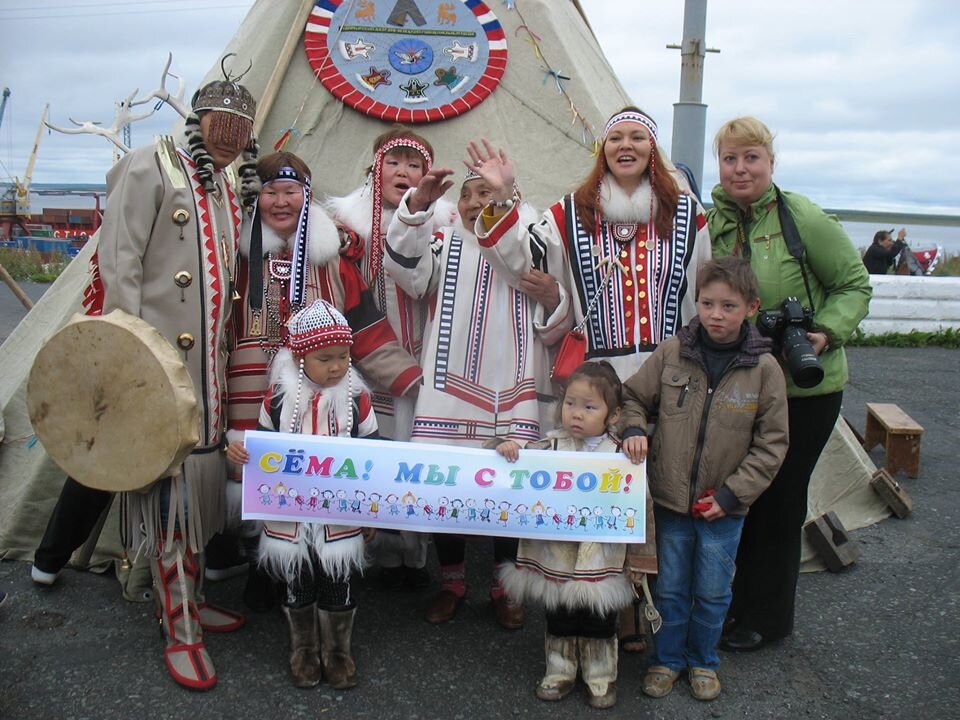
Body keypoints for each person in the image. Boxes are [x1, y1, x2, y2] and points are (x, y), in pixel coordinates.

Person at [35, 71, 262, 691]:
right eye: (221, 125)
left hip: (205, 374)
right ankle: (180, 625)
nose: (231, 137)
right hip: (157, 368)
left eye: (241, 129)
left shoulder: (224, 185)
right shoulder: (151, 166)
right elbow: (121, 263)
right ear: (199, 120)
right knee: (169, 499)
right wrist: (128, 362)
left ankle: (188, 599)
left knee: (195, 497)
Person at [472, 107, 711, 650]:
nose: (625, 146)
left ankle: (639, 605)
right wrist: (506, 195)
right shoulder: (568, 214)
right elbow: (519, 259)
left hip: (665, 373)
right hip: (597, 378)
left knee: (651, 491)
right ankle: (594, 604)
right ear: (601, 150)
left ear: (653, 151)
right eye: (615, 138)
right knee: (600, 493)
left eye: (638, 138)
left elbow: (697, 298)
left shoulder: (688, 214)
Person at [225, 152, 422, 608]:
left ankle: (318, 572)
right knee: (254, 475)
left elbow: (365, 325)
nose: (280, 201)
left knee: (315, 480)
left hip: (322, 391)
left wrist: (411, 380)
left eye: (290, 192)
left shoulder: (332, 258)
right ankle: (264, 565)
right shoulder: (235, 254)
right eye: (271, 192)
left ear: (306, 196)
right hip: (251, 386)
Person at [708, 116, 871, 651]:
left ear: (771, 163)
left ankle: (767, 617)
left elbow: (853, 285)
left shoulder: (803, 219)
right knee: (738, 493)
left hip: (806, 389)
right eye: (730, 158)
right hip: (740, 384)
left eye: (752, 157)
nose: (740, 168)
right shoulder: (711, 222)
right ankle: (728, 604)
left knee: (779, 498)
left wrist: (824, 333)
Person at [383, 150, 563, 626]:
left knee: (509, 488)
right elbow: (407, 271)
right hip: (449, 382)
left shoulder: (534, 234)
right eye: (466, 195)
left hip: (514, 382)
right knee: (447, 485)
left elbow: (524, 267)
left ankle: (504, 588)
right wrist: (418, 207)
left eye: (484, 192)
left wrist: (500, 201)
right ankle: (454, 581)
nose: (471, 203)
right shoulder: (442, 241)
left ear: (510, 196)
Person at [620, 256, 788, 701]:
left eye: (729, 306)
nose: (716, 314)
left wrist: (733, 495)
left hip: (724, 509)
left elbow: (772, 444)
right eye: (708, 303)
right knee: (671, 588)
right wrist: (634, 429)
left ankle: (703, 661)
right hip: (671, 504)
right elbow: (633, 396)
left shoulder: (765, 370)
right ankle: (667, 659)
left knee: (713, 593)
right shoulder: (673, 352)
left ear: (751, 307)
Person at [325, 126, 455, 586]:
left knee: (417, 447)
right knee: (371, 444)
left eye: (413, 164)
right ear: (375, 167)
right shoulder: (344, 221)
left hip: (424, 345)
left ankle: (414, 549)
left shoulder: (446, 221)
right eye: (394, 162)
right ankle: (371, 544)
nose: (403, 171)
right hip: (366, 350)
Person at [228, 299, 376, 690]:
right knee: (298, 582)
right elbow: (261, 449)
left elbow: (376, 458)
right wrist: (242, 453)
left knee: (337, 582)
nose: (337, 366)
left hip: (339, 516)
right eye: (325, 358)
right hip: (290, 516)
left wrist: (373, 513)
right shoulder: (277, 400)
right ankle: (304, 650)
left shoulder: (356, 399)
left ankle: (338, 653)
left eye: (344, 356)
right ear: (299, 358)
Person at [495, 361, 656, 709]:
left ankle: (600, 678)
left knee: (599, 622)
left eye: (589, 406)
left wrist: (641, 558)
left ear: (612, 416)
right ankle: (559, 671)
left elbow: (641, 507)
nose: (576, 414)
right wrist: (507, 448)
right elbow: (517, 468)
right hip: (557, 557)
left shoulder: (620, 456)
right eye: (570, 403)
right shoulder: (549, 448)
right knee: (560, 618)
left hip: (601, 559)